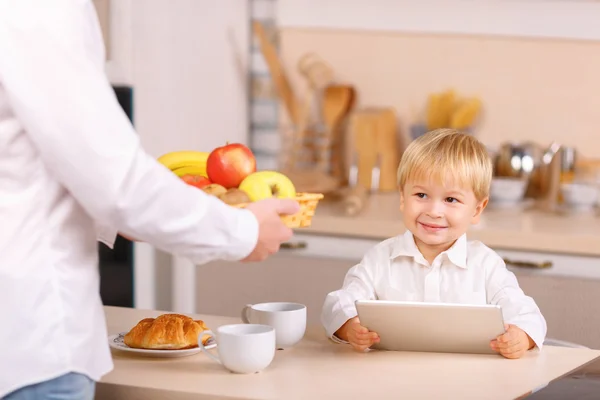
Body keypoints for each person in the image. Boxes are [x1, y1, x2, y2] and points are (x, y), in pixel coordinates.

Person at [0, 1, 299, 399]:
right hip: (31, 347)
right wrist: (242, 231)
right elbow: (118, 183)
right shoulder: (39, 9)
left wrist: (120, 218)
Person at [321, 128, 547, 358]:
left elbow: (527, 315)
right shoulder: (380, 258)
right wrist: (350, 327)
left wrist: (520, 337)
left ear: (477, 210)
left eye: (451, 199)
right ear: (402, 198)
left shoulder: (485, 265)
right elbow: (338, 304)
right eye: (421, 195)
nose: (434, 211)